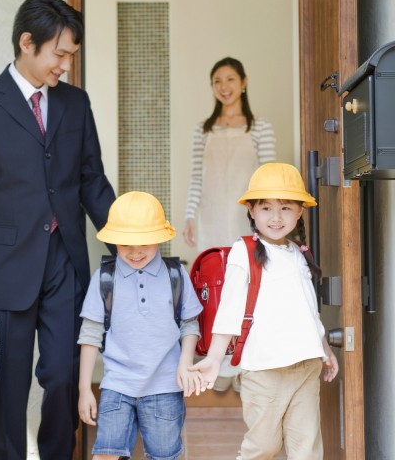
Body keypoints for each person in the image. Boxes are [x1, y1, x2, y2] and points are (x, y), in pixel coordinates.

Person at [0, 0, 116, 460]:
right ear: (27, 42)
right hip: (2, 269)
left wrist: (130, 237)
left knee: (64, 375)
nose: (65, 65)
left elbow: (91, 180)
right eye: (59, 53)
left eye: (71, 56)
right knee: (8, 389)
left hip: (64, 262)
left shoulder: (76, 105)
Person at [190, 163, 339, 460]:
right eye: (266, 208)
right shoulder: (243, 252)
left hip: (306, 366)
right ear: (251, 211)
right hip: (264, 371)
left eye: (285, 208)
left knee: (307, 449)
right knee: (262, 448)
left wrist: (324, 349)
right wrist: (214, 359)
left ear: (299, 212)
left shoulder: (299, 253)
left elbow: (309, 311)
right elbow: (229, 311)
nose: (275, 217)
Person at [78, 191, 203, 460]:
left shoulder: (176, 275)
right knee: (105, 455)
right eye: (125, 245)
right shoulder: (104, 278)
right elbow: (90, 335)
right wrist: (84, 389)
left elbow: (190, 324)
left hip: (165, 387)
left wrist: (185, 363)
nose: (135, 253)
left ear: (159, 236)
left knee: (164, 456)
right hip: (117, 385)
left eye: (144, 243)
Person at [183, 57, 277, 252]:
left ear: (244, 82)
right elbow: (196, 178)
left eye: (230, 79)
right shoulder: (203, 129)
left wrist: (269, 218)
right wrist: (189, 217)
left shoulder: (261, 127)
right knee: (213, 274)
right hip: (210, 218)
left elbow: (269, 179)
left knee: (246, 271)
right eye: (217, 81)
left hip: (246, 217)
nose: (223, 87)